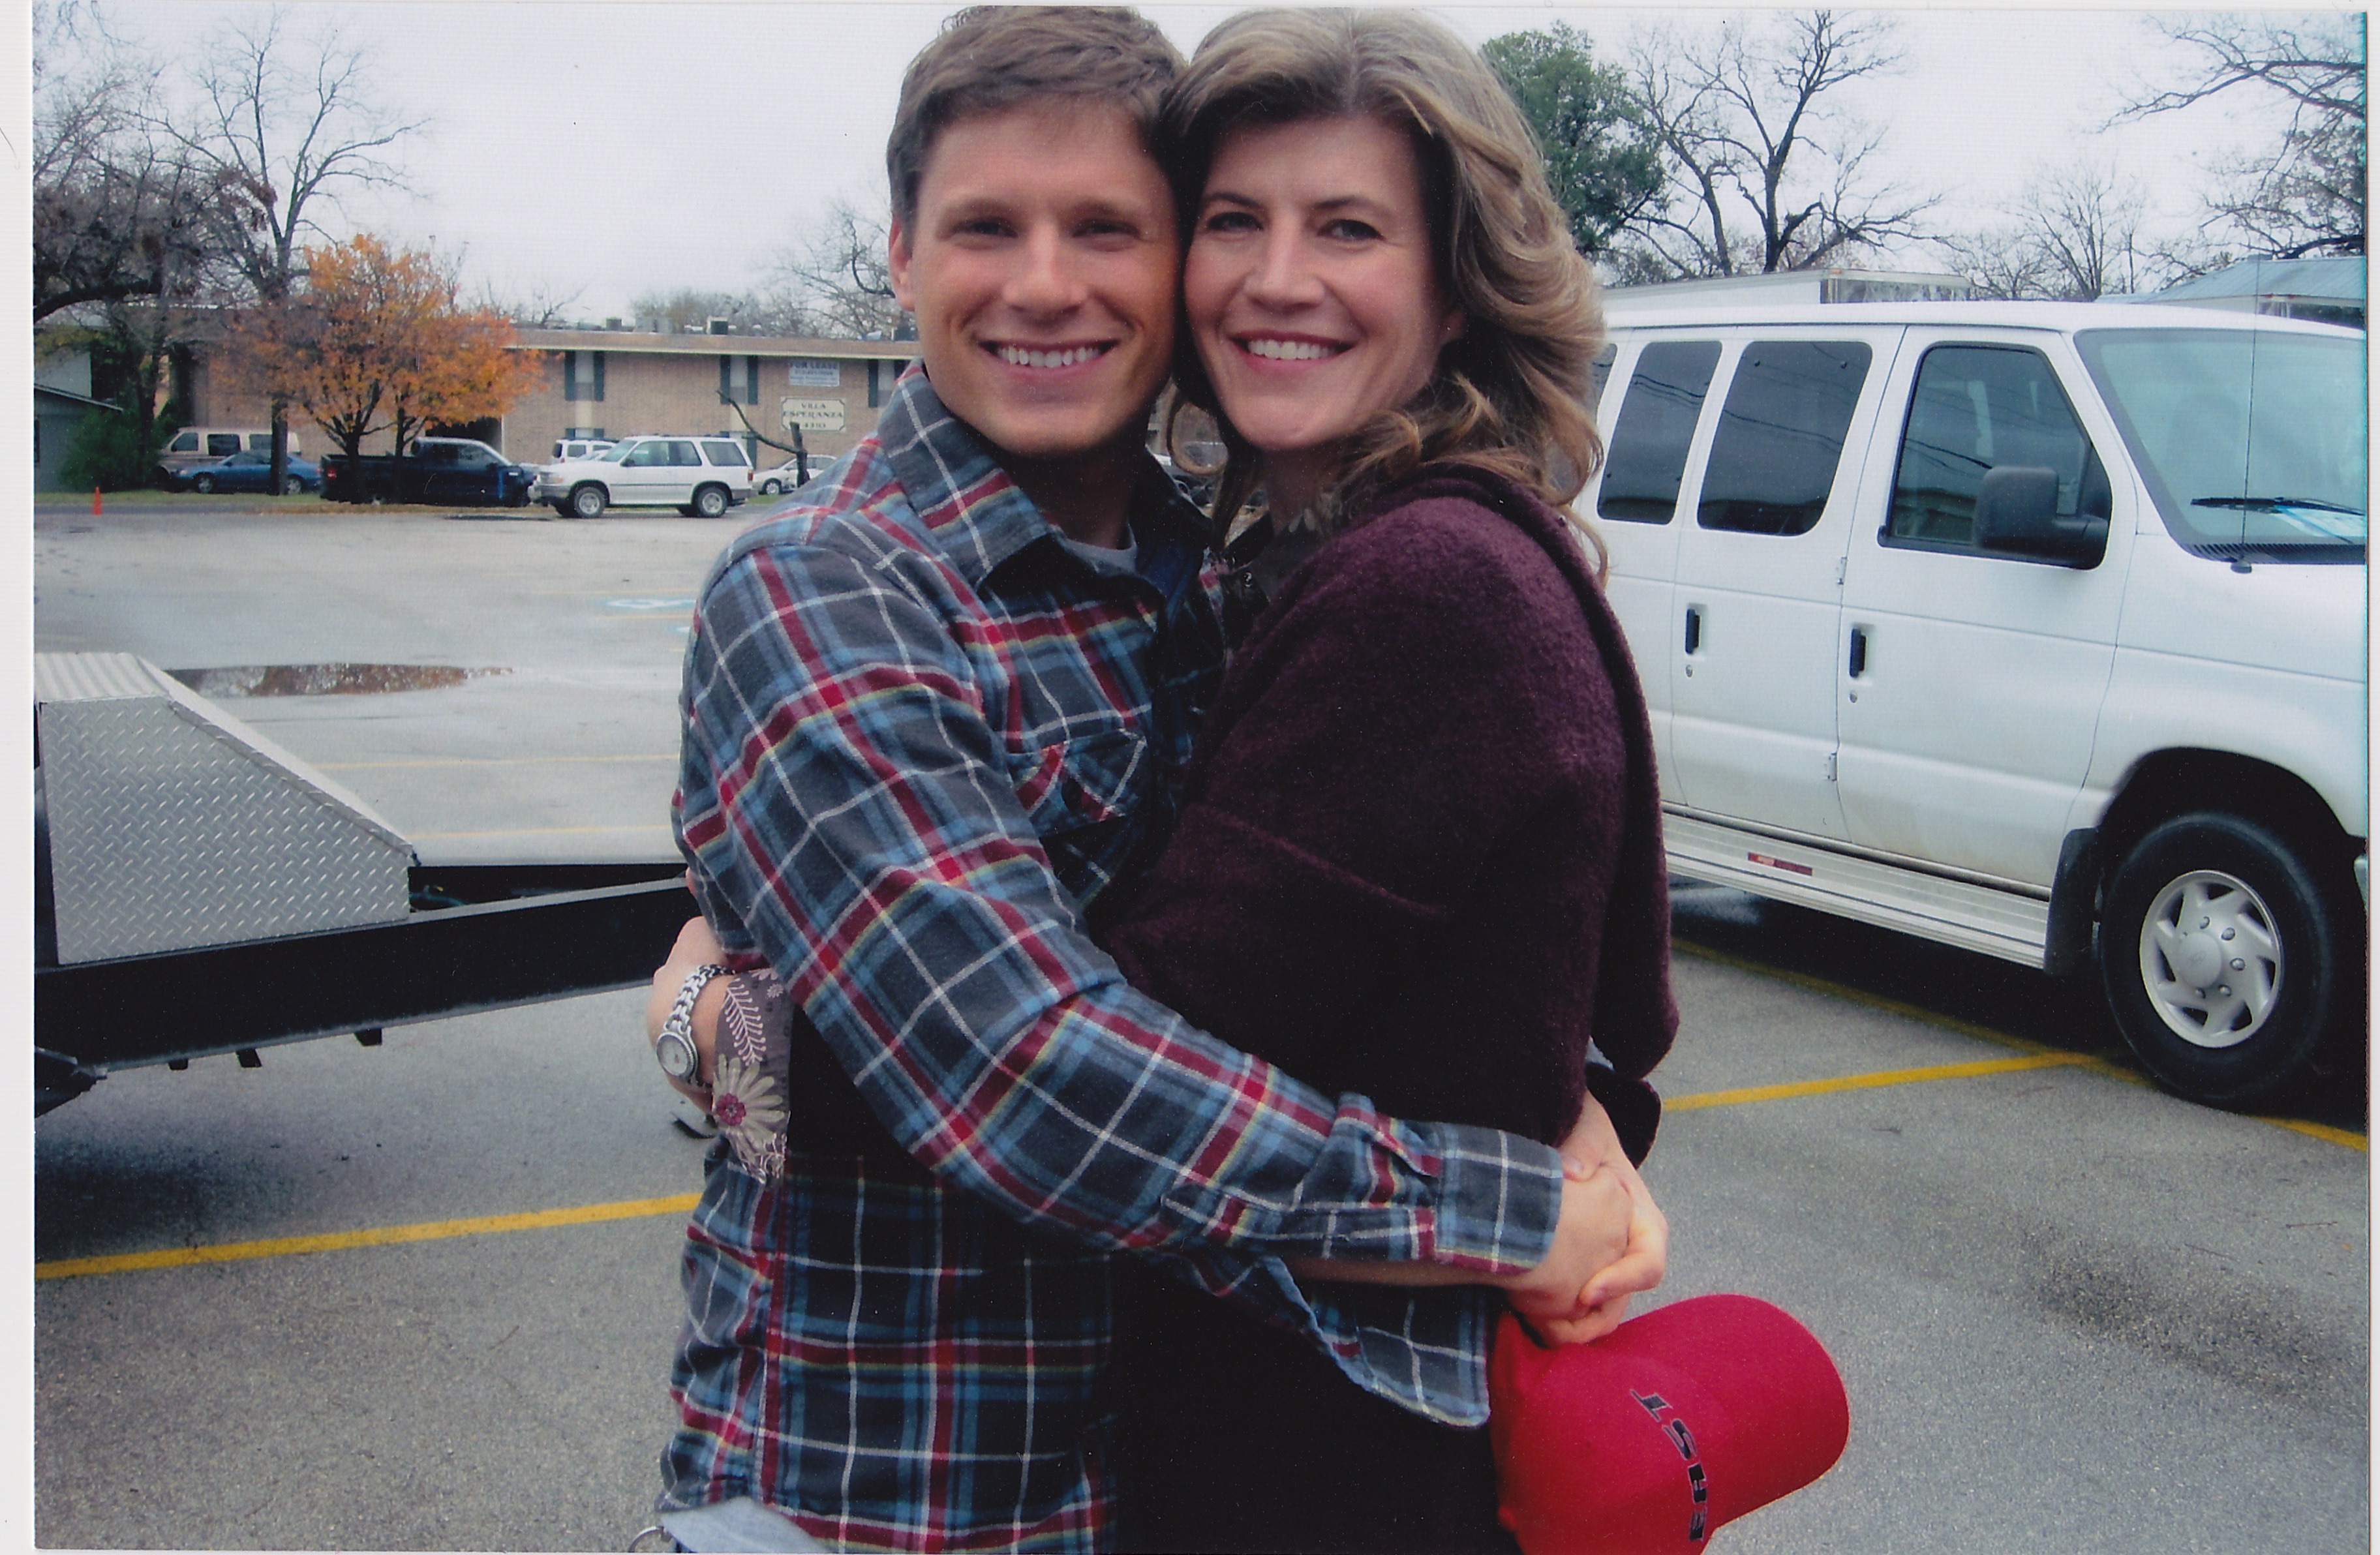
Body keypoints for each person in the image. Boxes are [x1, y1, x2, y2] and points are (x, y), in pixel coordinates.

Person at [643, 9, 1661, 1551]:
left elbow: (1295, 984)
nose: (1046, 283)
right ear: (904, 252)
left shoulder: (1237, 582)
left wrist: (712, 1026)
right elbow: (1010, 1068)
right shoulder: (825, 591)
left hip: (1148, 1483)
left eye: (1107, 228)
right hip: (880, 1488)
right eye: (989, 225)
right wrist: (1501, 1204)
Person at [1086, 11, 1675, 1550]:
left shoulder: (1424, 590)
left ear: (1458, 285)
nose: (1279, 279)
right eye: (1233, 222)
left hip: (1309, 1471)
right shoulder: (1343, 552)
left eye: (1347, 227)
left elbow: (1116, 1081)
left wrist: (725, 1027)